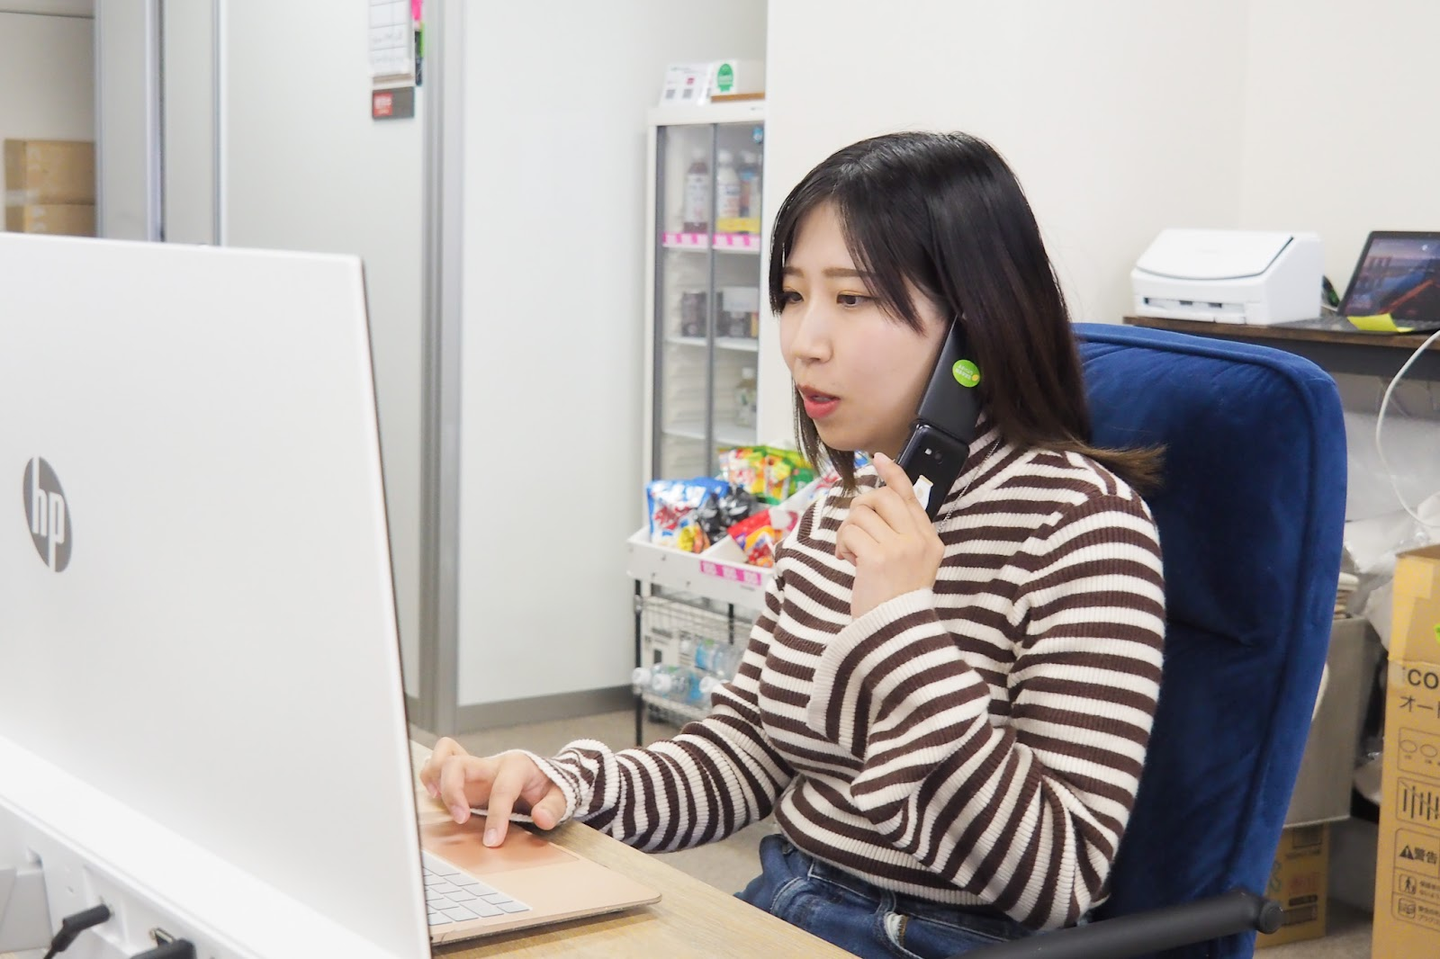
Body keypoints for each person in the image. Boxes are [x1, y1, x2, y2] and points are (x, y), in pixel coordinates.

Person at [421, 131, 1166, 958]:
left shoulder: (1087, 527)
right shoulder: (835, 507)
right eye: (791, 295)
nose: (804, 340)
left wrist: (903, 629)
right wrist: (568, 784)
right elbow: (745, 752)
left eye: (852, 298)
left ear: (973, 326)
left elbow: (1055, 880)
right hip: (785, 906)